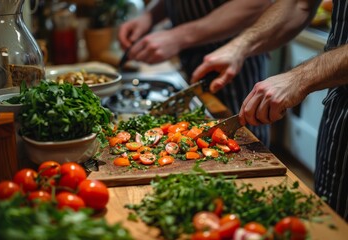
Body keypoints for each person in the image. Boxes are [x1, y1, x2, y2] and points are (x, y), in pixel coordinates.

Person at [191, 0, 348, 221]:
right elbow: (298, 3)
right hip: (339, 110)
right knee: (331, 217)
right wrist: (240, 46)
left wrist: (300, 77)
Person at [118, 0, 273, 146]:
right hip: (192, 60)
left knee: (243, 140)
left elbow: (256, 3)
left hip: (233, 62)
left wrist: (179, 36)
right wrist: (150, 16)